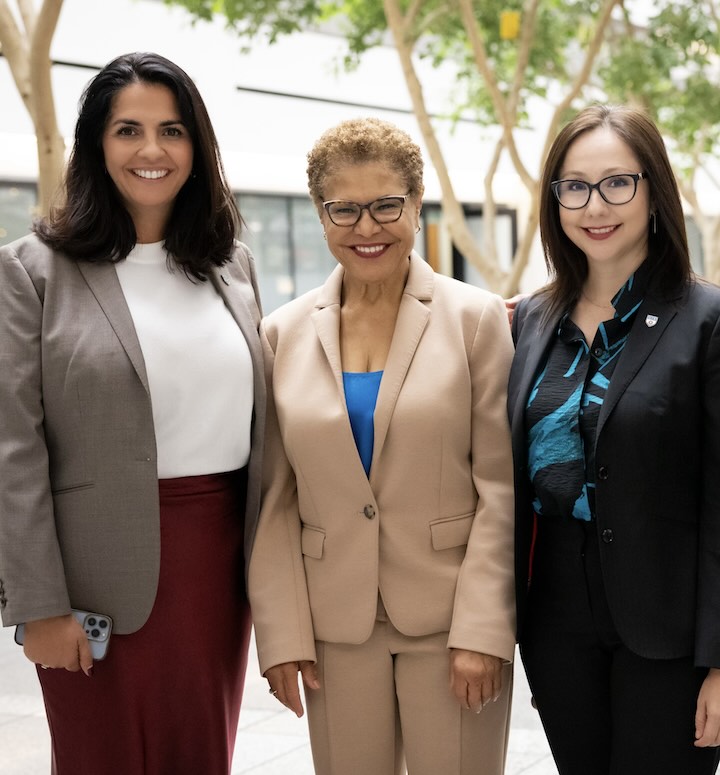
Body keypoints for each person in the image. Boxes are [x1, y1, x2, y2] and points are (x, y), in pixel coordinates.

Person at [0, 52, 265, 775]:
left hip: (216, 568)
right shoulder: (30, 270)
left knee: (201, 754)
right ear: (95, 144)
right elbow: (12, 449)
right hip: (90, 584)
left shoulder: (231, 267)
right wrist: (38, 605)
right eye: (128, 130)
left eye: (172, 130)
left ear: (196, 146)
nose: (152, 150)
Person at [247, 117, 515, 775]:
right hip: (334, 627)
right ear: (321, 213)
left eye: (386, 205)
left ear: (417, 203)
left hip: (450, 621)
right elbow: (273, 499)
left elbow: (502, 490)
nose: (367, 227)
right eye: (346, 209)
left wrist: (484, 630)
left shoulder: (475, 320)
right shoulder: (279, 334)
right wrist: (281, 636)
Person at [508, 103, 720, 775]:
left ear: (655, 190)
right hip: (555, 617)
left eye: (616, 182)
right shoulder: (527, 322)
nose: (594, 205)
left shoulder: (706, 320)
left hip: (670, 623)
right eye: (574, 185)